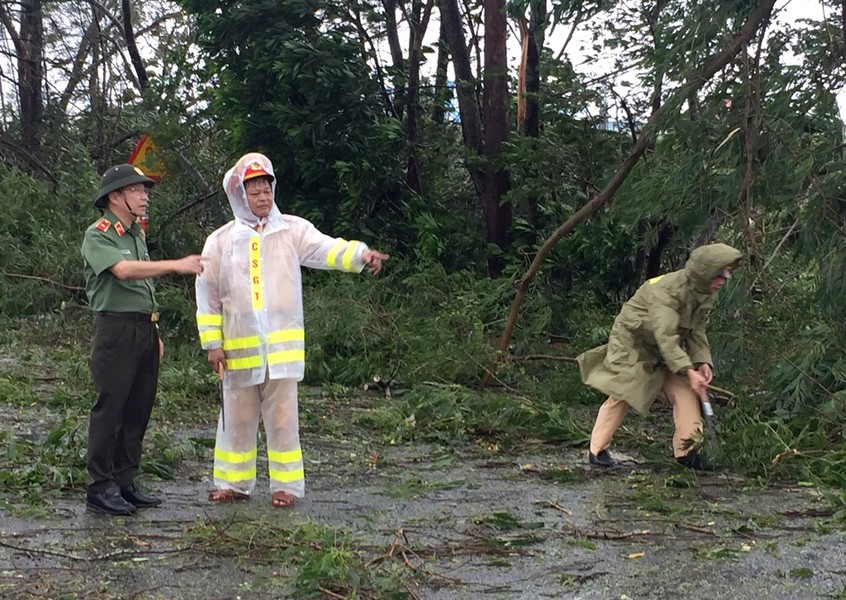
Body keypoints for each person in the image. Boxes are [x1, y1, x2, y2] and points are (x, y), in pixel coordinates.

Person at [195, 152, 389, 508]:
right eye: (254, 190)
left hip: (281, 352)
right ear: (239, 194)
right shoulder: (220, 241)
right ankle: (233, 484)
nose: (263, 196)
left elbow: (326, 249)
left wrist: (360, 255)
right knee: (236, 421)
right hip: (237, 353)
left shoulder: (291, 230)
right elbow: (206, 294)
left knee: (283, 420)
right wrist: (213, 343)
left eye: (267, 188)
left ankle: (285, 488)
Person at [82, 164, 204, 515]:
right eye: (137, 190)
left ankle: (124, 481)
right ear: (116, 196)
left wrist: (155, 330)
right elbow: (124, 272)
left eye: (145, 190)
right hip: (116, 330)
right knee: (111, 408)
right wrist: (176, 264)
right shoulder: (100, 233)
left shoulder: (135, 234)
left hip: (143, 330)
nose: (144, 196)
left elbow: (143, 290)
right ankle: (100, 487)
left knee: (138, 408)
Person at [577, 242, 742, 470]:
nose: (723, 281)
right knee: (625, 390)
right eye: (720, 275)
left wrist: (702, 362)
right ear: (706, 272)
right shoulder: (666, 291)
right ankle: (597, 450)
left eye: (727, 276)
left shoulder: (704, 293)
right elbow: (665, 335)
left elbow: (696, 329)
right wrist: (687, 369)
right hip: (635, 342)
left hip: (670, 347)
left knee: (685, 392)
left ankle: (688, 453)